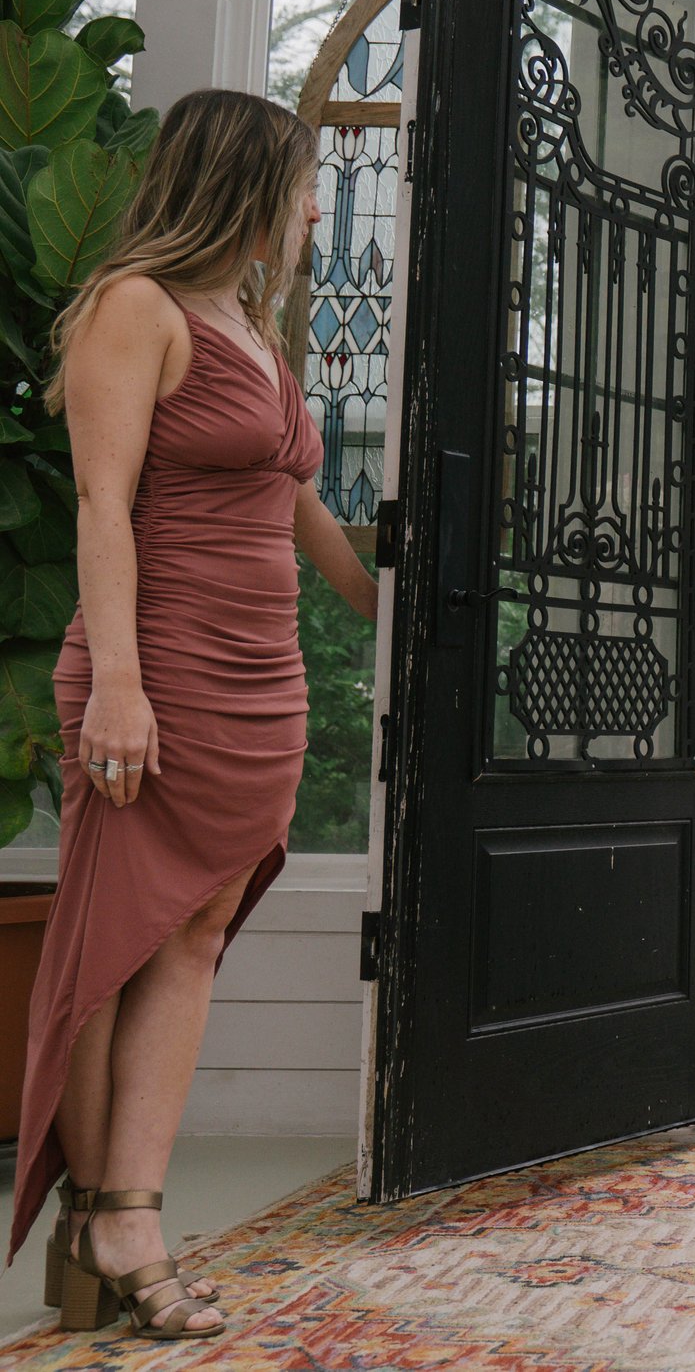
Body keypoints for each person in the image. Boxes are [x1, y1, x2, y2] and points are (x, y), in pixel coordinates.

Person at [8, 90, 378, 1339]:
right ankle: (118, 1215)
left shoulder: (254, 325)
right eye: (304, 184)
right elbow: (101, 507)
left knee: (194, 932)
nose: (319, 206)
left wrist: (383, 599)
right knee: (115, 944)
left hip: (260, 675)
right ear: (244, 184)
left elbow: (289, 498)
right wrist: (118, 680)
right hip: (154, 669)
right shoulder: (136, 307)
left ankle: (117, 1206)